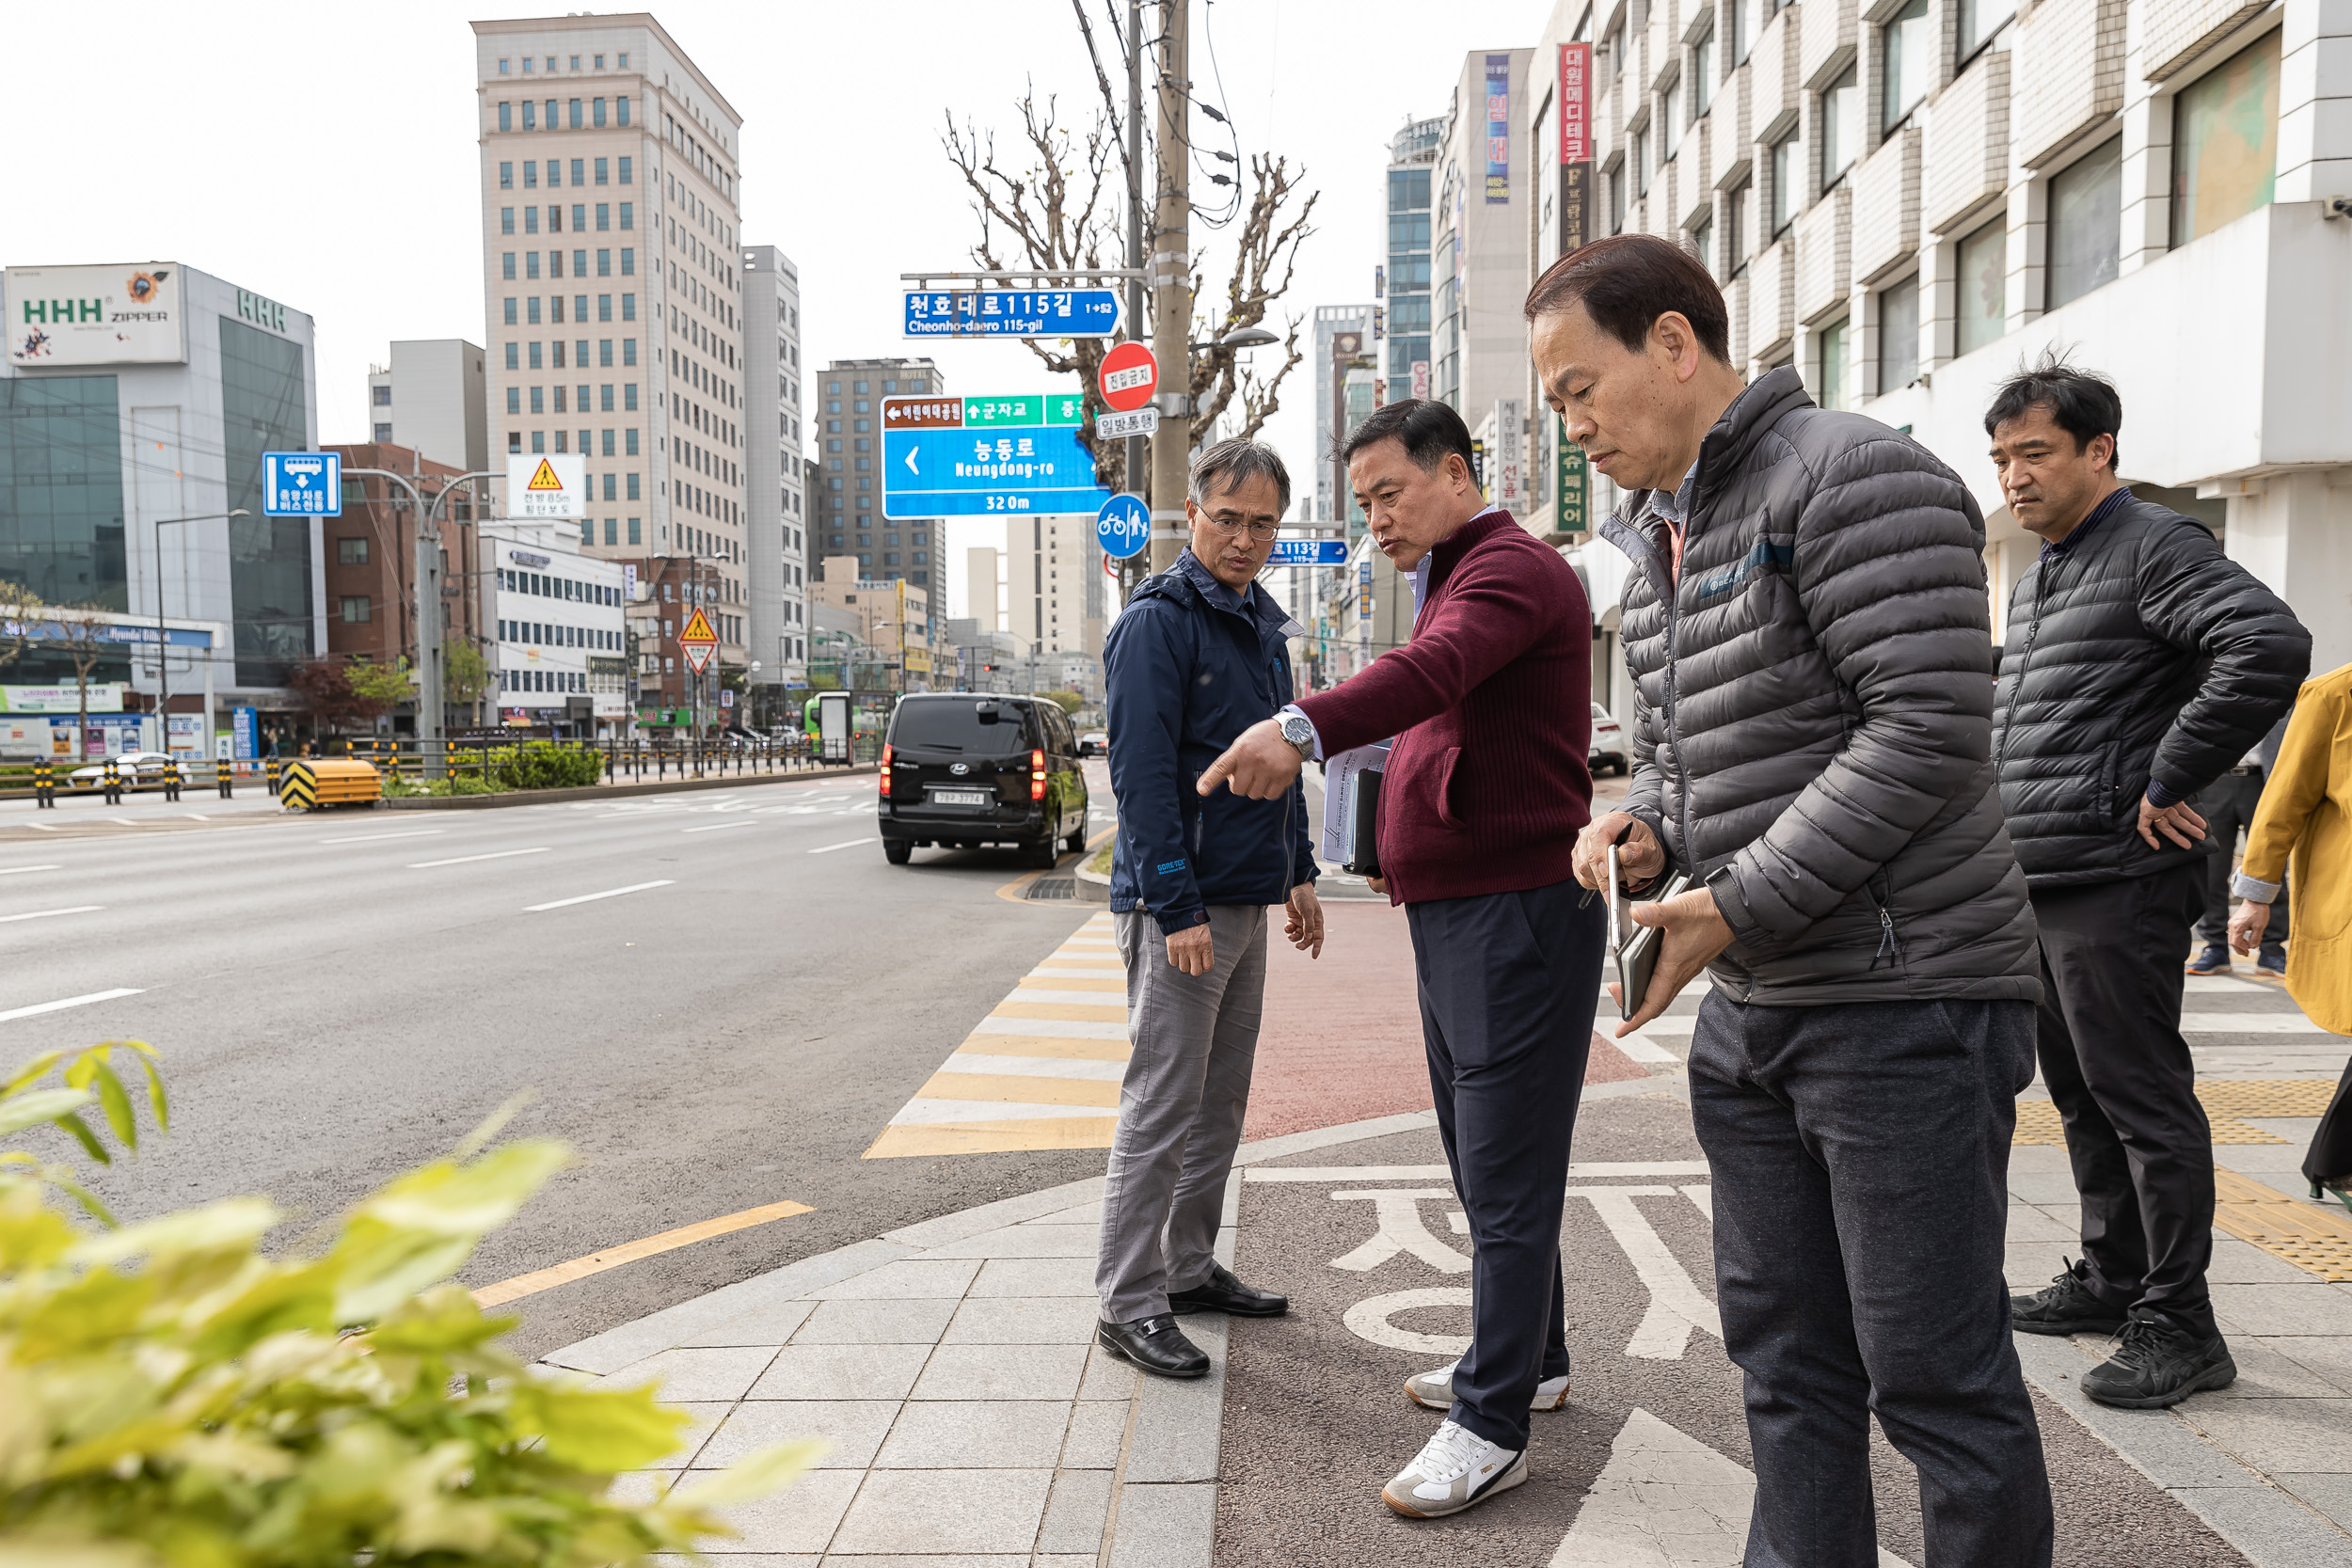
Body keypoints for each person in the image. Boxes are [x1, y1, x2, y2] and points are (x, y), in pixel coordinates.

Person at [1540, 235, 2054, 1565]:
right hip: (1762, 1004)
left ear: (1672, 340)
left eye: (1581, 387)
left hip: (1906, 996)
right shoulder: (1652, 536)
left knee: (1936, 1379)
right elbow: (1678, 750)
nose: (1575, 424)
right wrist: (1648, 825)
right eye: (1556, 406)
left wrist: (1738, 900)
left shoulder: (1853, 471)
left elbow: (1929, 727)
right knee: (1783, 1365)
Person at [1197, 397, 1599, 1520]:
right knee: (1486, 1163)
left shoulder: (1507, 571)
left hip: (1515, 912)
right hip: (1462, 906)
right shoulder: (1454, 568)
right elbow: (1439, 706)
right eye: (1362, 499)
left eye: (1389, 492)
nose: (1373, 517)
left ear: (1459, 472)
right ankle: (1537, 1358)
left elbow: (1429, 675)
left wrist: (1297, 726)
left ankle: (1492, 1423)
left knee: (1503, 1178)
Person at [1989, 358, 2311, 1410]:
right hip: (2045, 875)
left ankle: (2181, 1321)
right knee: (2080, 1093)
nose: (2014, 476)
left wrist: (2172, 773)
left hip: (2115, 878)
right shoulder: (2043, 572)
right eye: (2000, 457)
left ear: (2099, 451)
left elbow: (2266, 642)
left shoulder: (2152, 544)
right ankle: (2113, 1275)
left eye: (2034, 452)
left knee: (2141, 1099)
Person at [1094, 436, 1324, 1381]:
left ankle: (1185, 1268)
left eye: (1261, 522)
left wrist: (1299, 869)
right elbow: (1140, 776)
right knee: (1162, 1103)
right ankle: (1127, 1298)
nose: (1243, 537)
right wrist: (1173, 901)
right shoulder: (1158, 621)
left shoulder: (1260, 621)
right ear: (1190, 514)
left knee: (1218, 1101)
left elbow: (1283, 753)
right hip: (1179, 906)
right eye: (1225, 518)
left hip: (1245, 893)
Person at [2227, 661, 2352, 1208]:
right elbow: (2283, 800)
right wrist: (2255, 895)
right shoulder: (2334, 695)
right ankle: (2334, 1163)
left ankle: (2330, 1162)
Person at [2187, 719, 2290, 975]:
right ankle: (2215, 947)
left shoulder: (2282, 689)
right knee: (2211, 870)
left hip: (2263, 782)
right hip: (2214, 782)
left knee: (2271, 866)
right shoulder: (2207, 684)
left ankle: (2272, 949)